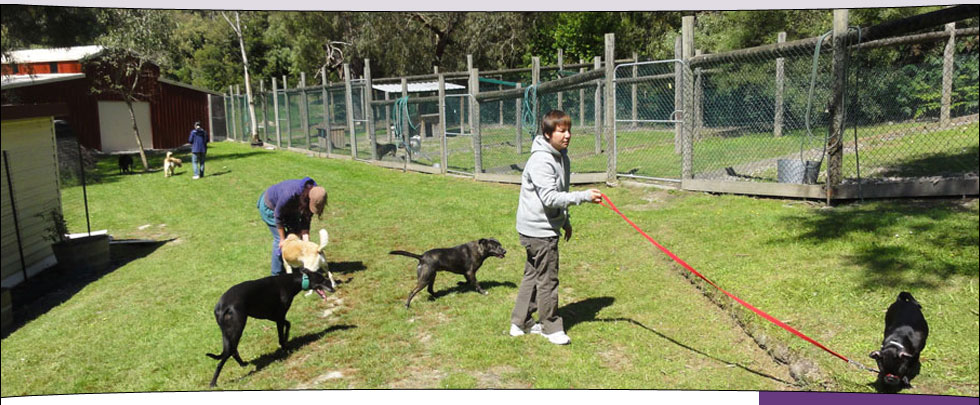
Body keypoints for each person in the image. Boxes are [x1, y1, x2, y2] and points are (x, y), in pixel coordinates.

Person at [509, 110, 602, 345]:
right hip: (538, 230)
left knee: (532, 274)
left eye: (569, 130)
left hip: (543, 226)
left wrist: (565, 221)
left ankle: (519, 323)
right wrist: (584, 196)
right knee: (548, 279)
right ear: (548, 133)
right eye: (562, 131)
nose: (568, 135)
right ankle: (551, 327)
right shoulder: (541, 160)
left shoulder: (561, 156)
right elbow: (550, 198)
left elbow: (559, 192)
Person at [257, 178, 328, 276]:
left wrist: (305, 239)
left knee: (297, 232)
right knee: (280, 241)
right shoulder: (290, 193)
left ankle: (298, 264)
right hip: (271, 208)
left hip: (290, 208)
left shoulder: (317, 194)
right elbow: (278, 215)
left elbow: (306, 219)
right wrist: (282, 239)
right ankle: (276, 274)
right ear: (308, 197)